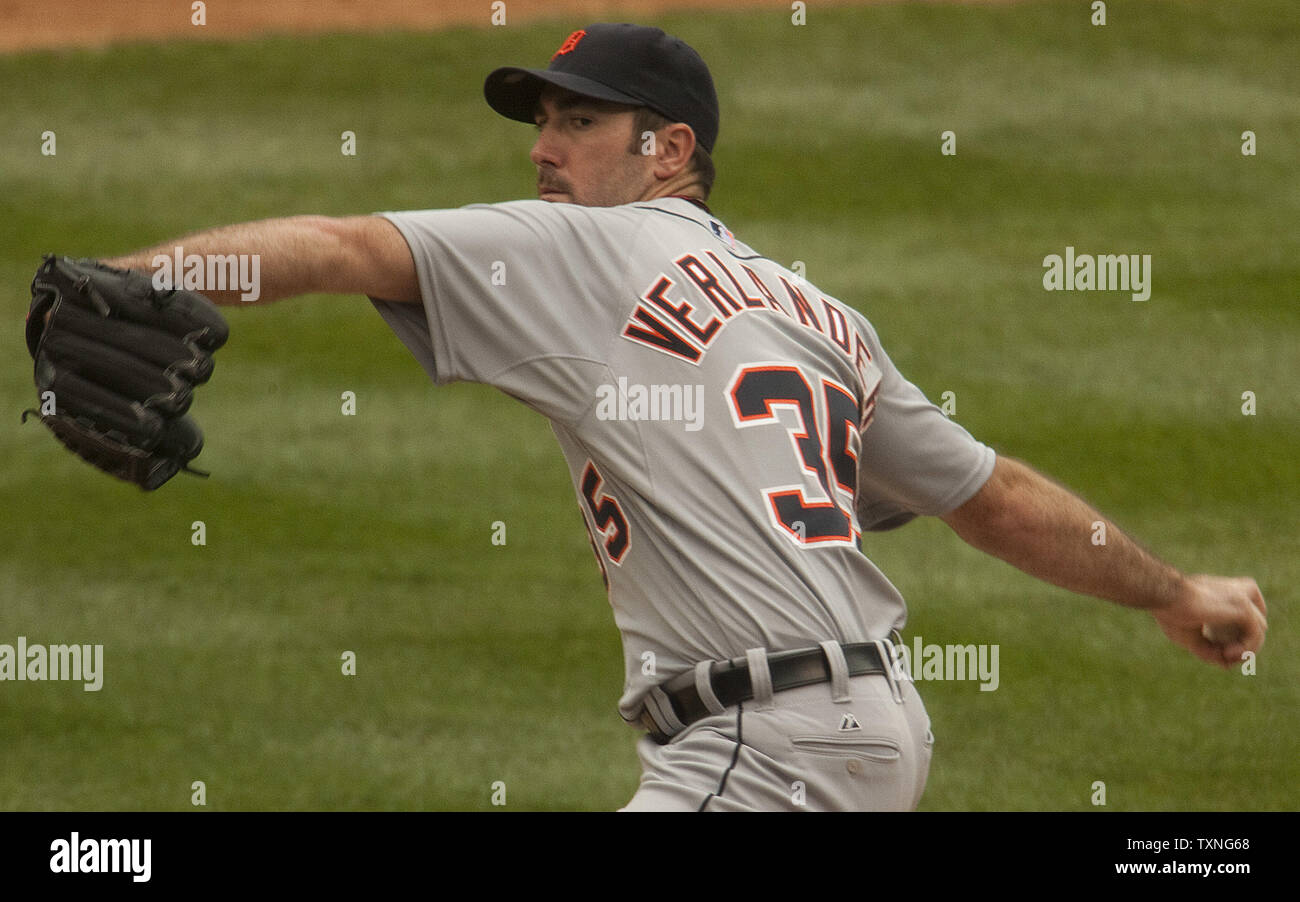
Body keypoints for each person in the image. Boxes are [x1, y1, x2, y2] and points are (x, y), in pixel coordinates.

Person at [94, 23, 1266, 811]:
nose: (545, 152)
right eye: (541, 124)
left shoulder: (588, 247)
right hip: (871, 733)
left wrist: (131, 285)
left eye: (580, 125)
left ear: (670, 151)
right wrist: (1173, 589)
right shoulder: (819, 314)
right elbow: (990, 494)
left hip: (766, 744)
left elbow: (344, 249)